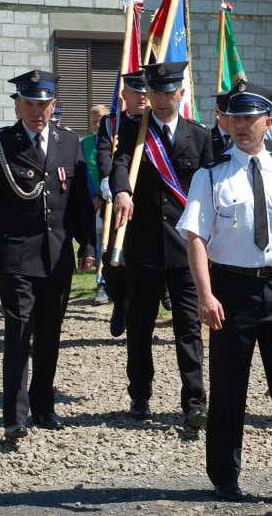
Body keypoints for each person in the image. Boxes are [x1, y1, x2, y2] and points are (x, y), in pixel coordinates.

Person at [177, 80, 272, 502]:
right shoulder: (210, 177)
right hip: (231, 290)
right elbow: (195, 238)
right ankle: (225, 477)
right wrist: (206, 295)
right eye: (236, 118)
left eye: (251, 118)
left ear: (268, 121)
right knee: (229, 388)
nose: (243, 126)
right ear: (226, 123)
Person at [0, 70, 96, 442]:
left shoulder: (69, 142)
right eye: (30, 103)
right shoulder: (1, 143)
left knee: (50, 334)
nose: (38, 111)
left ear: (54, 105)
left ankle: (44, 405)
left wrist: (90, 246)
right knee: (19, 333)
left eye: (44, 104)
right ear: (18, 105)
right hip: (16, 255)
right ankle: (14, 417)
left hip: (57, 255)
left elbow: (79, 201)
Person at [110, 61, 212, 429]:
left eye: (170, 92)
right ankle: (140, 395)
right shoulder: (135, 131)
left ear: (180, 94)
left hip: (186, 251)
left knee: (189, 329)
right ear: (147, 95)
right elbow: (119, 163)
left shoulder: (199, 137)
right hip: (145, 249)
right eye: (155, 92)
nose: (163, 99)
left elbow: (210, 188)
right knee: (140, 327)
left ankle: (194, 402)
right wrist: (121, 189)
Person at [97, 70, 149, 337]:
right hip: (120, 197)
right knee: (114, 256)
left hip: (149, 199)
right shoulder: (111, 122)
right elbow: (105, 151)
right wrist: (108, 180)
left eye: (145, 91)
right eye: (136, 91)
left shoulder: (155, 120)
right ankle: (119, 299)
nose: (142, 96)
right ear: (124, 95)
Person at [83, 104, 109, 306]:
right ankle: (101, 284)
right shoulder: (86, 144)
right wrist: (94, 196)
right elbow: (85, 171)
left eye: (101, 119)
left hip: (114, 201)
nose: (97, 124)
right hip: (93, 203)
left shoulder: (116, 141)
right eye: (94, 121)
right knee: (99, 243)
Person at [210, 91, 272, 157]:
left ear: (268, 123)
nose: (240, 125)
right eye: (235, 117)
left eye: (248, 117)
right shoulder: (210, 171)